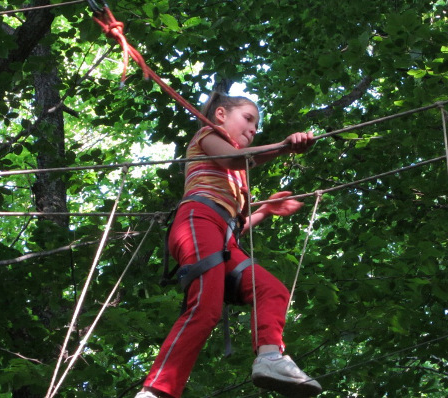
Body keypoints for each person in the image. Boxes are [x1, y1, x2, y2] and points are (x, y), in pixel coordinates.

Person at [136, 92, 322, 398]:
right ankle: (156, 391)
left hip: (224, 236)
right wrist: (283, 147)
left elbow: (236, 225)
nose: (253, 129)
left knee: (272, 289)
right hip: (198, 219)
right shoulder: (208, 136)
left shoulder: (237, 178)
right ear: (221, 114)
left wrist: (265, 210)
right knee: (205, 308)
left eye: (256, 125)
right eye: (248, 119)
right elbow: (232, 157)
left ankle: (270, 357)